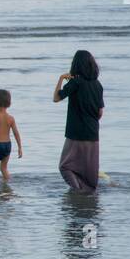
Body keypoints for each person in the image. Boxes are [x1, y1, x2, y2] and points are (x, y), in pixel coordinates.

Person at [53, 50, 105, 191]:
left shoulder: (75, 82)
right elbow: (100, 112)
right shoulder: (97, 85)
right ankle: (86, 194)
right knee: (89, 173)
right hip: (93, 133)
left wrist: (61, 79)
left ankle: (78, 191)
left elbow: (56, 98)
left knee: (64, 166)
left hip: (75, 132)